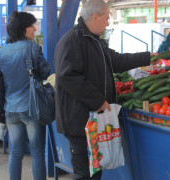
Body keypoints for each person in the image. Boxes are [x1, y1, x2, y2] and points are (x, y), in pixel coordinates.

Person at [54, 0, 155, 179]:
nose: (108, 23)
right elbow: (67, 76)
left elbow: (116, 60)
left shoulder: (95, 41)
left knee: (95, 170)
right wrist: (97, 100)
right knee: (85, 172)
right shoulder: (73, 40)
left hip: (93, 120)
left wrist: (147, 57)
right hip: (79, 122)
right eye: (107, 18)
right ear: (95, 17)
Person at [0, 11, 50, 180]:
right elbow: (46, 73)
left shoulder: (1, 52)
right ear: (23, 29)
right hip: (32, 108)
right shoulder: (33, 48)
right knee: (37, 153)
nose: (35, 29)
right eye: (31, 25)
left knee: (15, 153)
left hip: (10, 109)